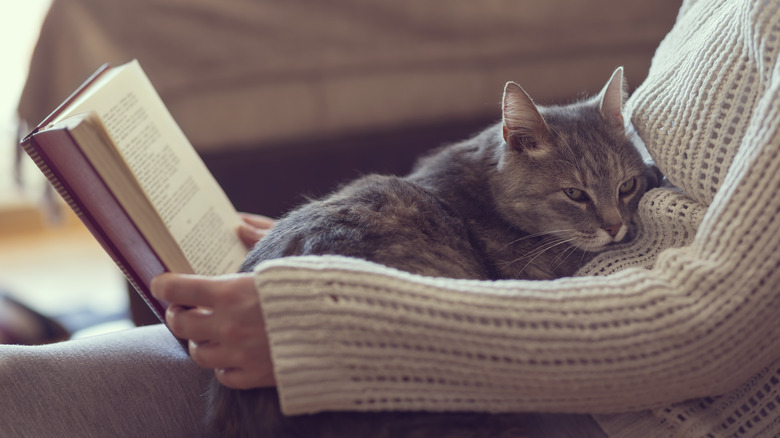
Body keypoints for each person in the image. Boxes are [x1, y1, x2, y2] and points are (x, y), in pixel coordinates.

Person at [2, 0, 779, 436]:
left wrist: (339, 318)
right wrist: (350, 247)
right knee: (16, 385)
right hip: (506, 321)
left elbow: (714, 325)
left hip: (638, 400)